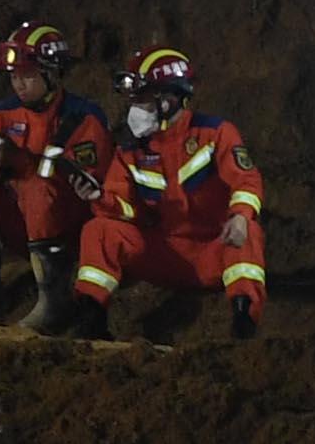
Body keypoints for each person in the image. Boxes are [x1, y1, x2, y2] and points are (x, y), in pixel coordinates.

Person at [67, 44, 270, 339]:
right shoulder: (130, 150)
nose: (135, 109)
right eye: (134, 100)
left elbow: (246, 181)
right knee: (98, 229)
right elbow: (124, 207)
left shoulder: (215, 134)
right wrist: (99, 198)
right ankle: (92, 320)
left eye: (144, 99)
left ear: (170, 99)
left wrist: (240, 216)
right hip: (163, 254)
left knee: (249, 232)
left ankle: (244, 323)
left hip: (215, 251)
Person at [0, 20, 112, 328]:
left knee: (39, 189)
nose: (18, 84)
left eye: (27, 76)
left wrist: (19, 161)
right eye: (14, 76)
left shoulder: (83, 118)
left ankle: (55, 305)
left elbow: (87, 184)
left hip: (71, 233)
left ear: (52, 74)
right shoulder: (0, 115)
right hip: (24, 226)